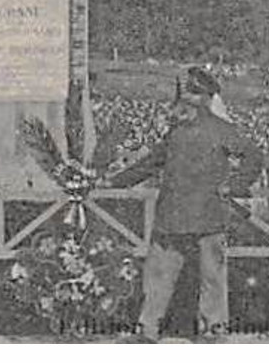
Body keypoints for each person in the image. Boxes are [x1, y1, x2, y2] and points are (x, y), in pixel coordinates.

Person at [109, 67, 260, 341]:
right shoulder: (176, 133)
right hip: (175, 218)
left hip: (207, 217)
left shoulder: (223, 130)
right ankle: (149, 330)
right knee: (160, 277)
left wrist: (235, 186)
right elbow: (150, 164)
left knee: (210, 277)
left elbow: (253, 158)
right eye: (183, 96)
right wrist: (113, 183)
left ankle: (211, 331)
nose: (182, 102)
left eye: (190, 96)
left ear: (205, 99)